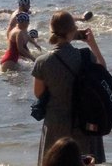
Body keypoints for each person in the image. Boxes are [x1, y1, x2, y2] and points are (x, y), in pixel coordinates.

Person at [32, 11, 107, 165]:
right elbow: (103, 73)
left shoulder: (42, 62)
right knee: (85, 161)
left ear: (52, 31)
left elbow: (38, 93)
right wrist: (92, 44)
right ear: (73, 31)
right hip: (83, 120)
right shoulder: (86, 56)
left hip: (56, 123)